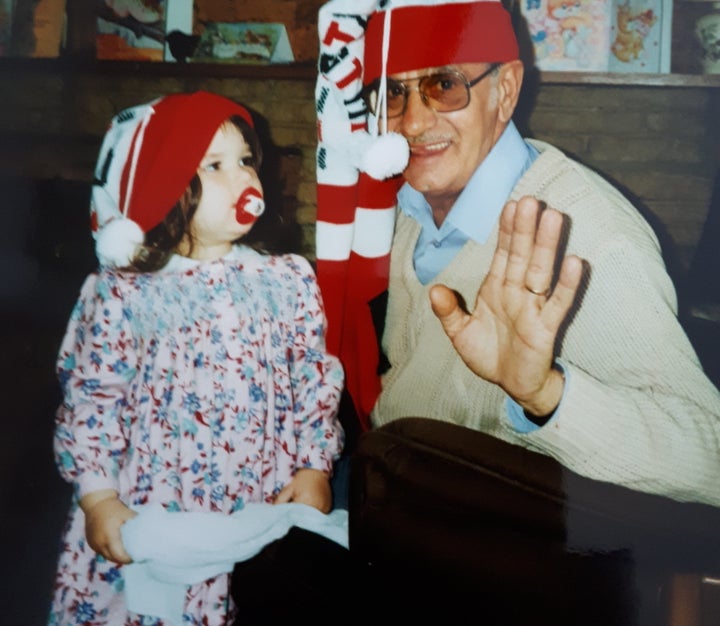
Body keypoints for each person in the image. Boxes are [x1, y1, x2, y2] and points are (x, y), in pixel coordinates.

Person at [315, 0, 720, 507]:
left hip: (490, 550)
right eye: (393, 92)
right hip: (387, 491)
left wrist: (544, 394)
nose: (413, 123)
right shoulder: (394, 209)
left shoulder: (589, 239)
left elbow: (711, 459)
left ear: (504, 91)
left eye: (444, 85)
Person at [48, 90, 344, 625]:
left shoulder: (287, 279)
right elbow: (92, 401)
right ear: (167, 186)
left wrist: (313, 465)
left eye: (246, 160)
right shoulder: (124, 293)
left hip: (260, 505)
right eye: (215, 165)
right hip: (154, 508)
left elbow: (313, 382)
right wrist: (98, 498)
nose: (243, 178)